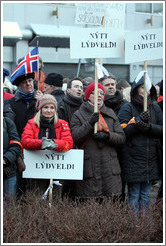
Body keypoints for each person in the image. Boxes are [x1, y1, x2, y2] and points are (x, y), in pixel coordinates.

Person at [70, 82, 126, 200]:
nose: (99, 95)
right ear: (88, 96)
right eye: (95, 93)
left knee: (110, 204)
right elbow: (74, 137)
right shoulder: (78, 114)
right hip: (89, 166)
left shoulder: (110, 113)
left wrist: (107, 136)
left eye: (101, 93)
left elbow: (121, 137)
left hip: (109, 168)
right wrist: (89, 124)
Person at [118, 76, 163, 211]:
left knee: (145, 195)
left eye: (148, 88)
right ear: (136, 89)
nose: (146, 91)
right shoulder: (127, 107)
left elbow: (162, 129)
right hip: (133, 160)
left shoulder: (155, 108)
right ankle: (134, 229)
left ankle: (144, 228)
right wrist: (137, 123)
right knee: (134, 195)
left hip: (151, 159)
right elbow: (122, 131)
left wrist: (149, 128)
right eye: (143, 87)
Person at [21, 94, 73, 193]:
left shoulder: (62, 124)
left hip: (56, 168)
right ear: (40, 109)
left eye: (52, 108)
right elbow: (25, 141)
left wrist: (54, 143)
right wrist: (41, 143)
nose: (49, 110)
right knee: (36, 196)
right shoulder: (31, 123)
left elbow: (68, 143)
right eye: (45, 107)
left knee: (56, 197)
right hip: (36, 167)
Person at [8, 71, 41, 197]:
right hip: (18, 152)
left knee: (36, 190)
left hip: (37, 151)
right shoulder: (10, 104)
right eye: (24, 82)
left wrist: (41, 104)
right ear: (18, 85)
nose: (28, 84)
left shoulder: (41, 101)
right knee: (19, 191)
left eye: (30, 81)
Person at [58, 77, 84, 199]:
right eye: (76, 86)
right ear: (68, 90)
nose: (79, 89)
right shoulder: (60, 106)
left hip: (82, 148)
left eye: (81, 87)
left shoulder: (86, 106)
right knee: (64, 187)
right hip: (66, 149)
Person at [3, 116, 21, 198]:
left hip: (8, 172)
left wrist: (5, 159)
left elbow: (16, 145)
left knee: (9, 205)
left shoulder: (6, 122)